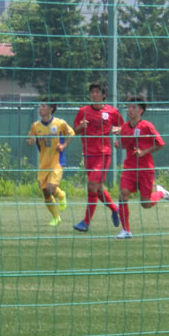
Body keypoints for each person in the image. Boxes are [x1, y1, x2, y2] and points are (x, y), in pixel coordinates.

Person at [113, 95, 169, 239]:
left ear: (141, 110)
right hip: (129, 167)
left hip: (145, 169)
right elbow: (126, 144)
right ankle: (126, 230)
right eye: (129, 107)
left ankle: (160, 192)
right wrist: (119, 145)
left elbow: (160, 144)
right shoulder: (125, 127)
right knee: (123, 194)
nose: (130, 110)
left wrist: (144, 152)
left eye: (133, 107)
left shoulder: (147, 126)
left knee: (145, 204)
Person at [72, 82, 123, 232]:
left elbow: (123, 126)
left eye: (97, 92)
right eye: (92, 92)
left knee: (91, 186)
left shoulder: (112, 112)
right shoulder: (83, 111)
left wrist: (117, 130)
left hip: (103, 154)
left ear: (104, 95)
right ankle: (115, 209)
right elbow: (74, 131)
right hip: (88, 155)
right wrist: (81, 127)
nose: (94, 94)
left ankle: (86, 222)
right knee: (98, 189)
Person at [26, 98, 75, 226]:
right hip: (43, 163)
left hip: (57, 161)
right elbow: (30, 139)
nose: (40, 108)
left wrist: (63, 145)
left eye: (43, 106)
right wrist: (31, 141)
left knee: (51, 187)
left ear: (51, 109)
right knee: (45, 192)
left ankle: (61, 194)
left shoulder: (60, 123)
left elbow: (71, 133)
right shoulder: (36, 126)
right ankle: (56, 217)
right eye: (40, 106)